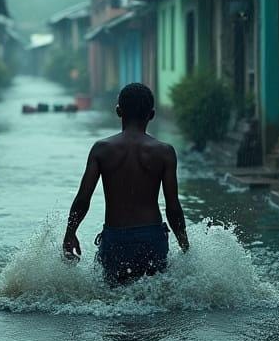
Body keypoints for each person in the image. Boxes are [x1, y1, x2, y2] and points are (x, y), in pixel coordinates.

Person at [63, 82, 189, 285]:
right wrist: (185, 245)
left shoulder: (101, 150)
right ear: (152, 114)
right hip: (152, 237)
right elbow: (173, 207)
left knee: (113, 300)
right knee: (156, 300)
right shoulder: (164, 152)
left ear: (118, 111)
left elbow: (82, 199)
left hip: (115, 239)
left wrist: (70, 233)